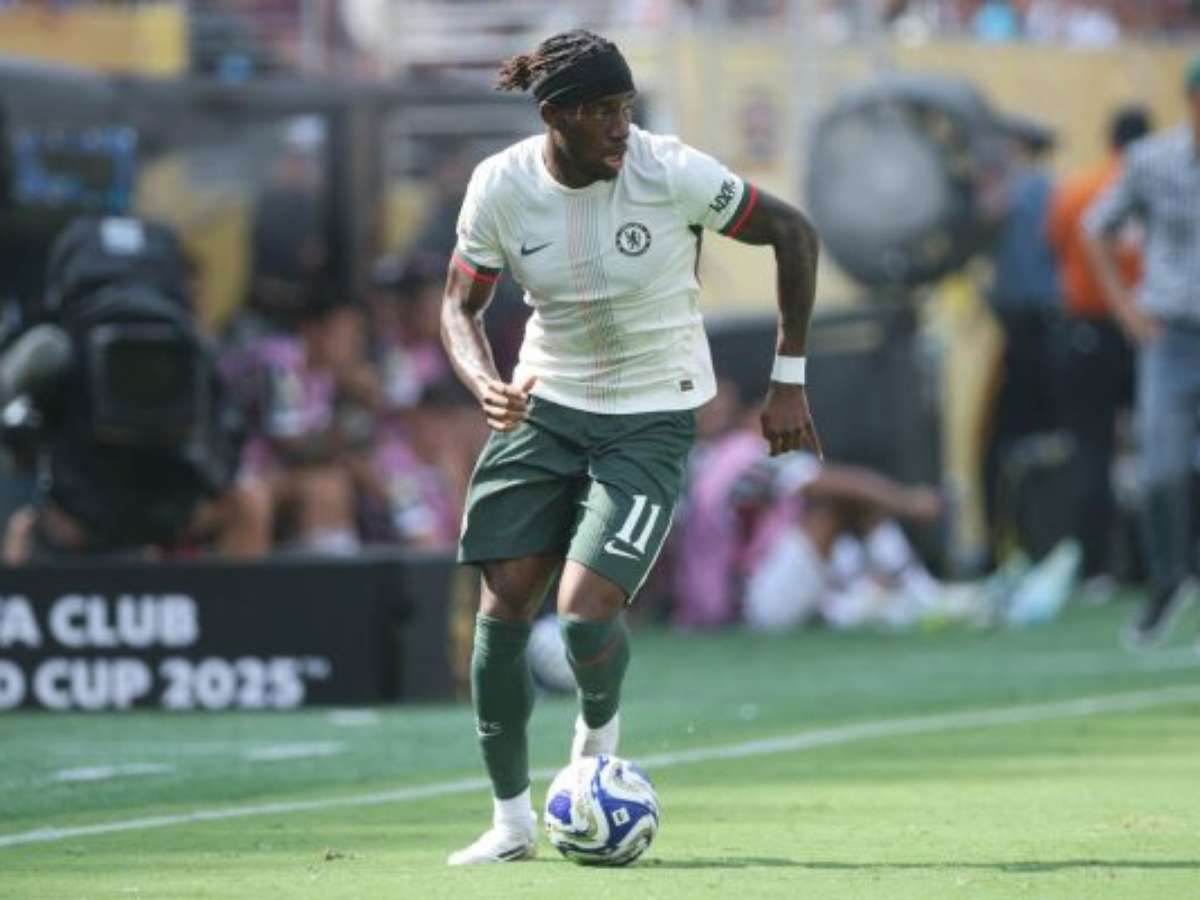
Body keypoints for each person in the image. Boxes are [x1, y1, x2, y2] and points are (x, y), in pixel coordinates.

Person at [439, 29, 821, 865]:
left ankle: (596, 747)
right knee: (504, 604)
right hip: (544, 403)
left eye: (626, 107)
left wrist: (788, 378)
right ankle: (509, 823)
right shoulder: (500, 186)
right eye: (602, 111)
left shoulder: (671, 170)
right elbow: (460, 305)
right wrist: (482, 380)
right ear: (554, 116)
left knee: (583, 611)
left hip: (652, 410)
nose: (621, 126)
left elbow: (792, 232)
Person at [1084, 54, 1200, 648]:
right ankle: (1168, 577)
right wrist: (1126, 310)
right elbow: (1095, 228)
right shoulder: (1152, 162)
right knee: (1160, 469)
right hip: (1172, 334)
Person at [1047, 104, 1152, 581]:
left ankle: (1096, 566)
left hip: (1090, 330)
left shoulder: (1078, 189)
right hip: (1151, 328)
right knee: (1162, 446)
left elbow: (1055, 246)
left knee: (1091, 449)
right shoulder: (1161, 186)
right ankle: (1165, 560)